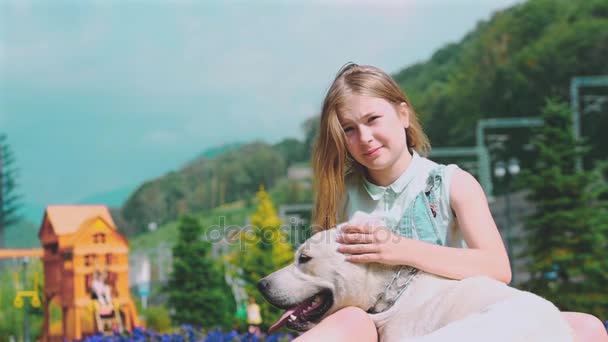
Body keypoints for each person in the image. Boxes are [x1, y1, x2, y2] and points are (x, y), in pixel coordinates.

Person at [297, 63, 607, 341]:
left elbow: (498, 268)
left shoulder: (452, 184)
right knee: (352, 320)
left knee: (588, 328)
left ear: (403, 115)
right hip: (377, 325)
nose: (364, 137)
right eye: (349, 129)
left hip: (452, 322)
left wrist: (401, 249)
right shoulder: (340, 196)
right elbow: (324, 281)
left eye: (373, 119)